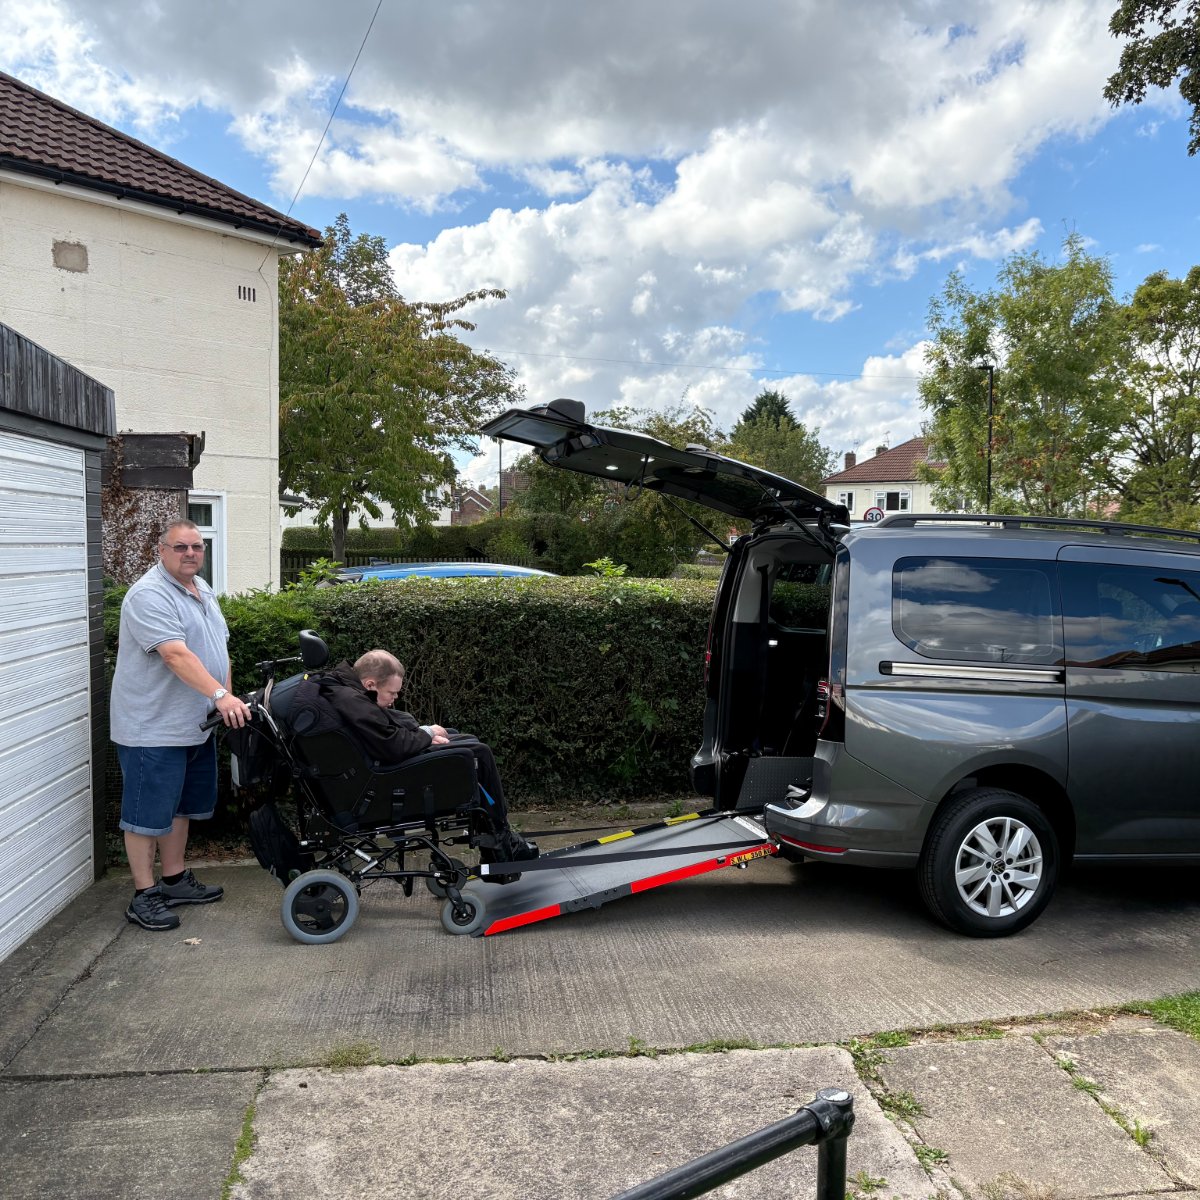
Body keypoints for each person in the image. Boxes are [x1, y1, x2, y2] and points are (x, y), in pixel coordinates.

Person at [110, 518, 252, 931]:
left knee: (181, 810)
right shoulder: (149, 595)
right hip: (151, 728)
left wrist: (226, 695)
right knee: (144, 815)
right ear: (161, 550)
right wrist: (219, 697)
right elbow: (175, 655)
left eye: (197, 547)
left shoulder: (202, 590)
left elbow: (218, 648)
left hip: (195, 724)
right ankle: (143, 894)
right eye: (180, 547)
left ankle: (173, 881)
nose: (191, 553)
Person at [315, 649, 538, 864]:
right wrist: (426, 734)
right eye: (392, 693)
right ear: (370, 684)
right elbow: (391, 744)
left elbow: (383, 729)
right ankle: (502, 843)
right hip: (385, 776)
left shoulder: (347, 689)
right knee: (478, 753)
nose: (394, 699)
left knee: (465, 740)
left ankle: (498, 838)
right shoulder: (352, 700)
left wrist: (423, 731)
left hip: (382, 764)